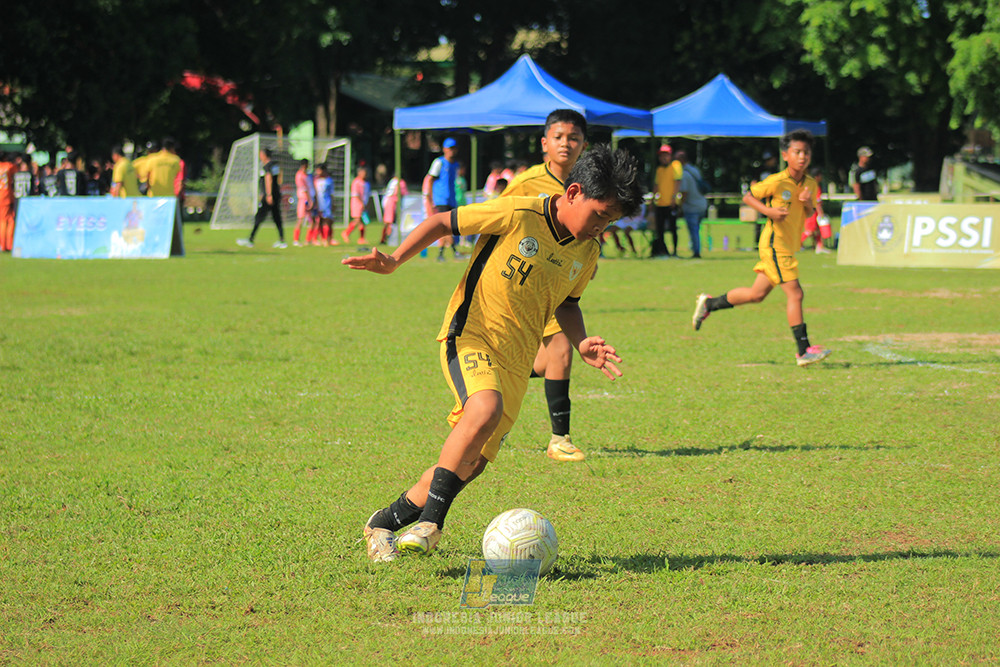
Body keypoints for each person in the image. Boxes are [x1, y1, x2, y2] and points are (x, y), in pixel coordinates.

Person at [345, 144, 642, 561]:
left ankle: (383, 522)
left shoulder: (587, 251)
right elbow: (442, 222)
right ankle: (432, 522)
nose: (601, 228)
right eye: (599, 215)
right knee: (482, 409)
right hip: (472, 334)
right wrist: (394, 260)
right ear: (573, 192)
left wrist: (582, 341)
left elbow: (568, 302)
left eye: (610, 221)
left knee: (470, 464)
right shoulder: (518, 213)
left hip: (518, 362)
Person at [691, 129, 832, 367]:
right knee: (796, 293)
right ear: (786, 154)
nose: (802, 157)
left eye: (806, 152)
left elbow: (808, 213)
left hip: (788, 245)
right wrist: (769, 211)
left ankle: (709, 304)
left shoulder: (810, 184)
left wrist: (808, 204)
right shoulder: (777, 181)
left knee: (756, 295)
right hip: (774, 244)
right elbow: (748, 197)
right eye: (797, 152)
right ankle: (803, 350)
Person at [499, 108, 590, 462]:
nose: (566, 144)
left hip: (558, 284)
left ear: (584, 144)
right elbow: (497, 222)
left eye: (574, 138)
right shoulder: (525, 184)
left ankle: (492, 405)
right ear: (544, 144)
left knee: (543, 359)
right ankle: (559, 438)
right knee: (561, 352)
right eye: (559, 137)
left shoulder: (585, 183)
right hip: (523, 282)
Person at [422, 137, 463, 262]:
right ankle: (452, 251)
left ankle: (442, 253)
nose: (452, 151)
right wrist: (430, 197)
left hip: (451, 199)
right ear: (444, 149)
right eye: (449, 148)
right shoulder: (439, 162)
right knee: (446, 226)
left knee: (448, 227)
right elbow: (430, 179)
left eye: (454, 148)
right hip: (441, 199)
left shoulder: (455, 165)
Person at [238, 148, 286, 249]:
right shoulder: (274, 165)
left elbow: (268, 178)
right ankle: (282, 240)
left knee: (259, 217)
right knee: (276, 217)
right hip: (275, 195)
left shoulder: (267, 166)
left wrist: (268, 194)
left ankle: (250, 239)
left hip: (270, 196)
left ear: (264, 155)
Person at [650, 144, 682, 257]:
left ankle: (675, 251)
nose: (664, 158)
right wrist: (652, 200)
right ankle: (664, 250)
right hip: (660, 204)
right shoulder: (659, 169)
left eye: (666, 155)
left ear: (670, 156)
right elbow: (656, 185)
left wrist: (674, 197)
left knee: (673, 229)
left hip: (671, 203)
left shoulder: (676, 165)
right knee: (660, 230)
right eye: (662, 155)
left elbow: (677, 182)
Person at [675, 150, 708, 259]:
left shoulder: (684, 174)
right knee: (697, 229)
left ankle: (696, 252)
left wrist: (679, 206)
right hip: (702, 204)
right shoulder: (695, 170)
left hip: (692, 206)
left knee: (693, 230)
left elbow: (684, 193)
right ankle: (696, 249)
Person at [801, 166, 832, 253]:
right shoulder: (815, 187)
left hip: (810, 210)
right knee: (810, 231)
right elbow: (817, 202)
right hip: (812, 212)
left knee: (817, 230)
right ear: (817, 176)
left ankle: (819, 246)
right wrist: (821, 213)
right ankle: (797, 244)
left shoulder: (810, 185)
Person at [342, 165, 371, 245]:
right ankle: (346, 233)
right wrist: (361, 203)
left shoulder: (367, 183)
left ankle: (361, 238)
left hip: (364, 204)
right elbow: (355, 194)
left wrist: (366, 204)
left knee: (363, 221)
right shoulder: (356, 182)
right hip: (357, 203)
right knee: (357, 220)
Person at [380, 172, 408, 245]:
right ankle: (387, 238)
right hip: (393, 202)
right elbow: (404, 193)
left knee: (388, 221)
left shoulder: (392, 181)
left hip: (387, 201)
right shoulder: (400, 182)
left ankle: (384, 238)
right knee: (390, 222)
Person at [292, 159, 314, 246]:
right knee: (300, 219)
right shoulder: (299, 175)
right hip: (303, 199)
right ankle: (296, 240)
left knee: (311, 220)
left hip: (308, 199)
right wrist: (309, 200)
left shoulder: (307, 176)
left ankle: (308, 240)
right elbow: (304, 189)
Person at [314, 163, 336, 246]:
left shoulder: (329, 181)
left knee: (328, 221)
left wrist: (333, 204)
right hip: (318, 204)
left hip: (326, 204)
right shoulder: (316, 180)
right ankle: (319, 238)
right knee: (319, 221)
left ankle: (327, 239)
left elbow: (331, 194)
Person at [0, 152, 16, 252]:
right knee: (6, 221)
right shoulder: (9, 166)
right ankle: (6, 244)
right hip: (7, 196)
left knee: (6, 220)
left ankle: (5, 244)